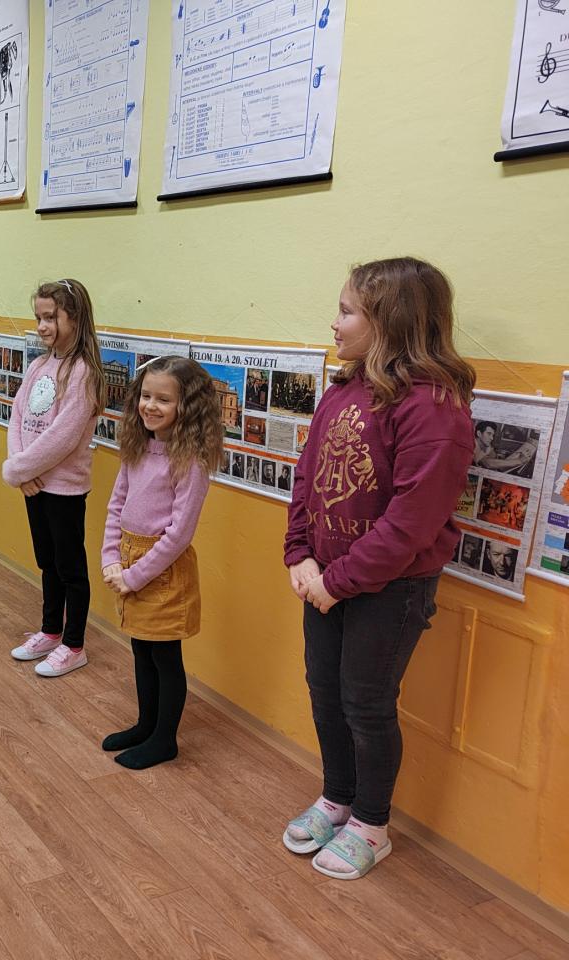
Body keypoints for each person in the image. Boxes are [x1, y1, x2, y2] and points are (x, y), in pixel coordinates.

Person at [282, 257, 474, 880]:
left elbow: (411, 522)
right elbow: (308, 478)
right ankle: (337, 797)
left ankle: (371, 822)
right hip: (325, 579)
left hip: (390, 590)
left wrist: (335, 583)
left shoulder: (433, 408)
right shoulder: (342, 390)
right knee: (324, 691)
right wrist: (299, 553)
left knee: (366, 703)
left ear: (389, 321)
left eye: (346, 311)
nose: (334, 323)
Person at [100, 357, 222, 768]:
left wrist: (134, 576)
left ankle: (164, 740)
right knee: (141, 649)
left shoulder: (191, 462)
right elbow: (117, 505)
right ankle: (146, 725)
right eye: (146, 396)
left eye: (164, 399)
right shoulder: (138, 447)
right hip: (130, 561)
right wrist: (111, 557)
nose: (151, 406)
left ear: (188, 406)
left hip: (163, 571)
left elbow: (178, 535)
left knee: (164, 656)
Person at [2, 279, 105, 677]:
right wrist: (19, 470)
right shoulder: (38, 366)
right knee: (47, 562)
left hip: (63, 488)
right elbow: (17, 417)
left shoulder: (83, 373)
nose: (42, 326)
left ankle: (74, 645)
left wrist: (21, 470)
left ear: (74, 318)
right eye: (38, 318)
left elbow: (63, 437)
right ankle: (50, 631)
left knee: (70, 568)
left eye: (51, 317)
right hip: (33, 483)